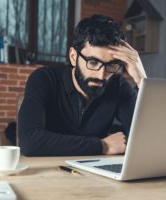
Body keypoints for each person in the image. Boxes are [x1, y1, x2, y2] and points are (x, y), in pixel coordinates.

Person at [18, 15, 147, 156]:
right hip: (48, 171)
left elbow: (147, 139)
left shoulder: (119, 86)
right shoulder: (44, 79)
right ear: (74, 57)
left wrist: (141, 79)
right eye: (92, 62)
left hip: (94, 173)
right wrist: (102, 146)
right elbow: (29, 142)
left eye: (111, 65)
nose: (101, 75)